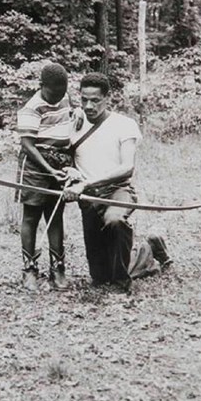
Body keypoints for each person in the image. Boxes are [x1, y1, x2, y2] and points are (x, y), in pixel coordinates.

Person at [63, 72, 171, 292]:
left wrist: (88, 182)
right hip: (89, 199)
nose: (89, 105)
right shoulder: (74, 124)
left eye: (95, 100)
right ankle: (149, 248)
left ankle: (122, 285)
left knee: (115, 220)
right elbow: (63, 160)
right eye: (84, 100)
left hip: (118, 191)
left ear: (107, 99)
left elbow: (126, 167)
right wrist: (70, 180)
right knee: (100, 276)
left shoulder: (124, 124)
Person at [16, 63, 74, 291]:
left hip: (59, 165)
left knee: (55, 215)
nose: (57, 97)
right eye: (53, 93)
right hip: (35, 165)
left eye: (62, 92)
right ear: (42, 86)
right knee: (31, 216)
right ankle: (29, 269)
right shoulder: (32, 107)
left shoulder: (64, 97)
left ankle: (58, 269)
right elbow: (28, 144)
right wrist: (48, 169)